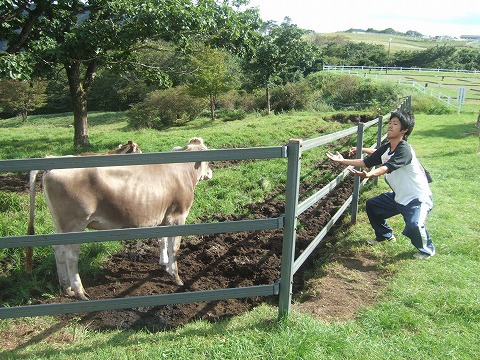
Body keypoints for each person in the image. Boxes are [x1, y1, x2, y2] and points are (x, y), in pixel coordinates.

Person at [326, 110, 435, 259]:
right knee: (372, 205)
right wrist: (342, 160)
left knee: (414, 226)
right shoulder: (387, 147)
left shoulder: (404, 150)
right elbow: (366, 162)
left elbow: (387, 167)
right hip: (399, 196)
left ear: (404, 130)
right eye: (390, 123)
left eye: (395, 124)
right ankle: (385, 235)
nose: (390, 126)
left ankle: (426, 250)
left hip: (417, 198)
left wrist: (370, 174)